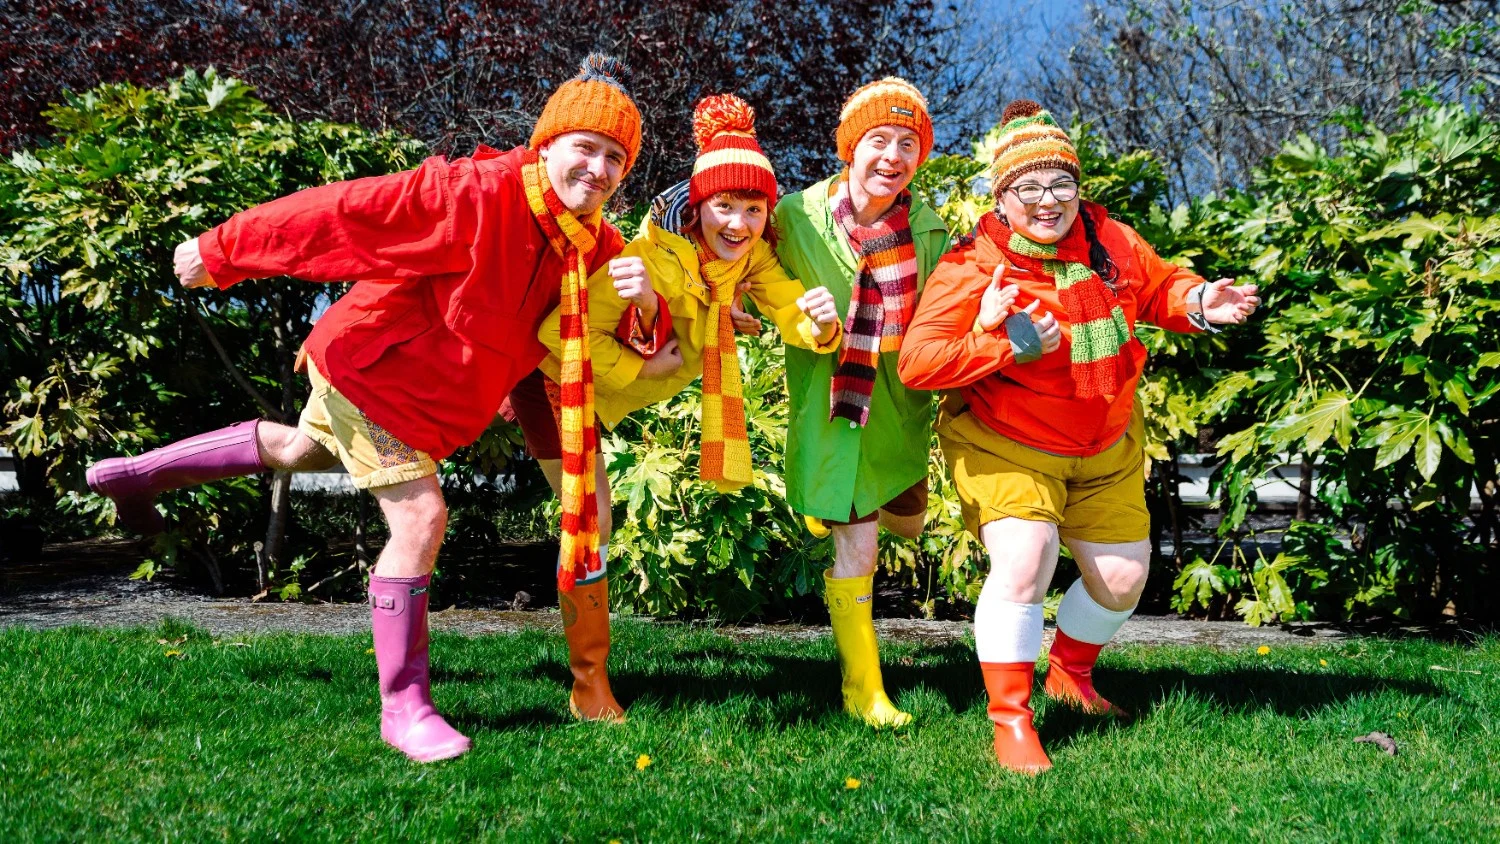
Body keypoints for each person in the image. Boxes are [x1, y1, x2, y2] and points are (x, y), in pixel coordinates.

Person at [84, 55, 644, 763]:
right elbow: (346, 214)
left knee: (296, 451)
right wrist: (222, 249)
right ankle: (404, 708)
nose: (597, 169)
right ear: (546, 145)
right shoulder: (475, 193)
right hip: (371, 373)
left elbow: (589, 343)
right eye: (584, 149)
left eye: (615, 158)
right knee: (421, 516)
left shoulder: (592, 244)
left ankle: (134, 474)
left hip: (419, 401)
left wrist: (652, 300)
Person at [898, 99, 1260, 772]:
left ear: (1078, 187)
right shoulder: (974, 262)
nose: (1047, 199)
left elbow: (1157, 289)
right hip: (1004, 439)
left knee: (1123, 580)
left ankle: (1070, 673)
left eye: (1060, 182)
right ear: (1001, 197)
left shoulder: (1109, 239)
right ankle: (1012, 720)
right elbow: (919, 362)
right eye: (1027, 187)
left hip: (1103, 439)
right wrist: (1002, 344)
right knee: (1026, 559)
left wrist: (1202, 303)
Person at [508, 94, 843, 722]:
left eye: (753, 208)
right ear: (698, 208)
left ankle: (260, 445)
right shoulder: (645, 261)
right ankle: (589, 686)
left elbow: (787, 306)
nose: (738, 223)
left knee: (313, 446)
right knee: (591, 517)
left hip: (607, 393)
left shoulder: (749, 259)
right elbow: (556, 336)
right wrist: (647, 367)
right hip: (556, 382)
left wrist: (817, 324)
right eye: (724, 206)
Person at [772, 78, 952, 729]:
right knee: (862, 552)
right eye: (879, 139)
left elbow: (958, 320)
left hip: (900, 422)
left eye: (908, 143)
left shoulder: (930, 235)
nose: (892, 155)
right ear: (851, 147)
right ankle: (864, 692)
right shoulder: (795, 216)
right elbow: (728, 244)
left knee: (907, 524)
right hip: (836, 416)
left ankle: (836, 513)